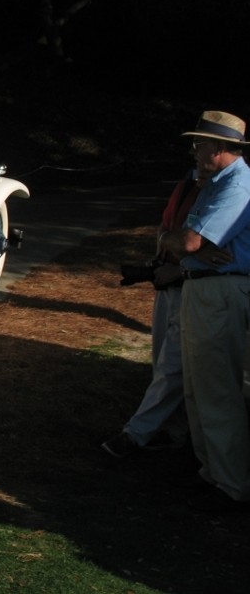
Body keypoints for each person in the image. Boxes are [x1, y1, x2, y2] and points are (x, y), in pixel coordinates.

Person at [159, 110, 250, 512]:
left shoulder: (237, 185)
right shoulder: (216, 184)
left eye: (200, 143)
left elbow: (191, 243)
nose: (195, 150)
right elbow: (178, 239)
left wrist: (181, 242)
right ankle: (213, 472)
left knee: (216, 388)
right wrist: (174, 238)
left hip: (220, 291)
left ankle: (231, 483)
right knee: (199, 387)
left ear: (219, 147)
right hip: (202, 287)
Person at [101, 168, 201, 457]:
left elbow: (193, 244)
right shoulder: (186, 187)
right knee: (162, 362)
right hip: (168, 284)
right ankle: (174, 431)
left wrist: (179, 258)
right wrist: (162, 258)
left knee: (172, 365)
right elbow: (167, 231)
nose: (198, 156)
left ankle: (136, 434)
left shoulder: (231, 195)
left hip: (192, 287)